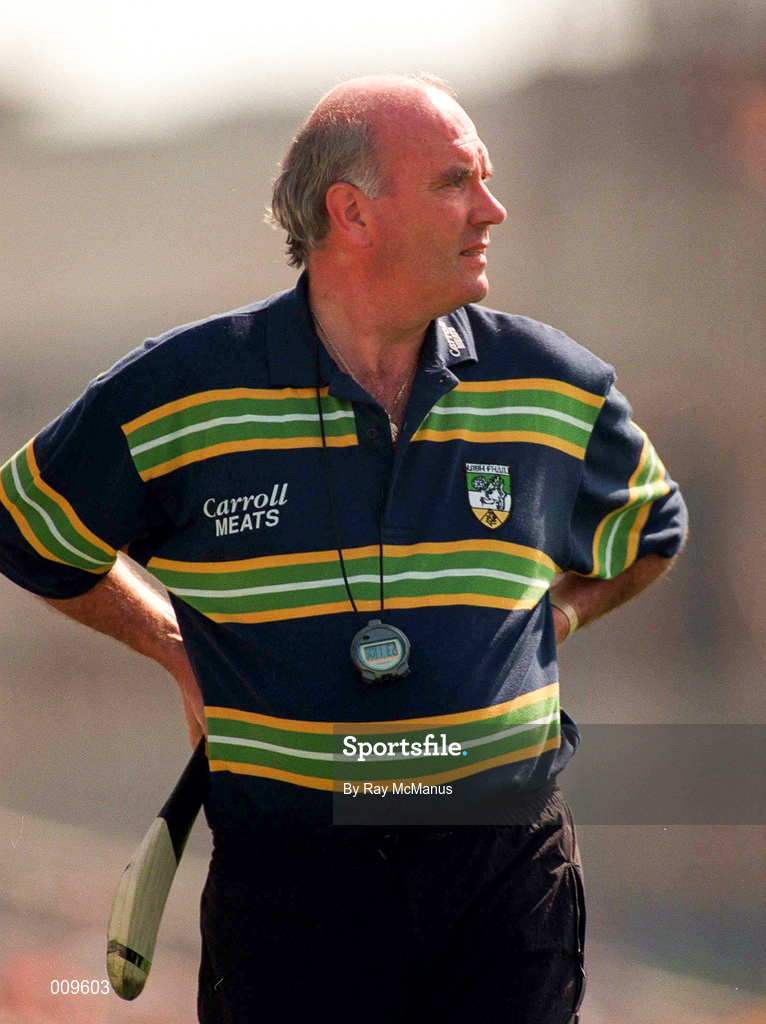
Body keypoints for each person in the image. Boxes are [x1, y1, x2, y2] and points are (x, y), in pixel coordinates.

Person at [0, 74, 687, 1023]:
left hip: (502, 880)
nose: (490, 210)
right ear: (351, 213)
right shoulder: (182, 390)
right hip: (292, 892)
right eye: (454, 182)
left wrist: (558, 617)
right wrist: (173, 645)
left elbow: (651, 530)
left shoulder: (554, 384)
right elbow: (29, 527)